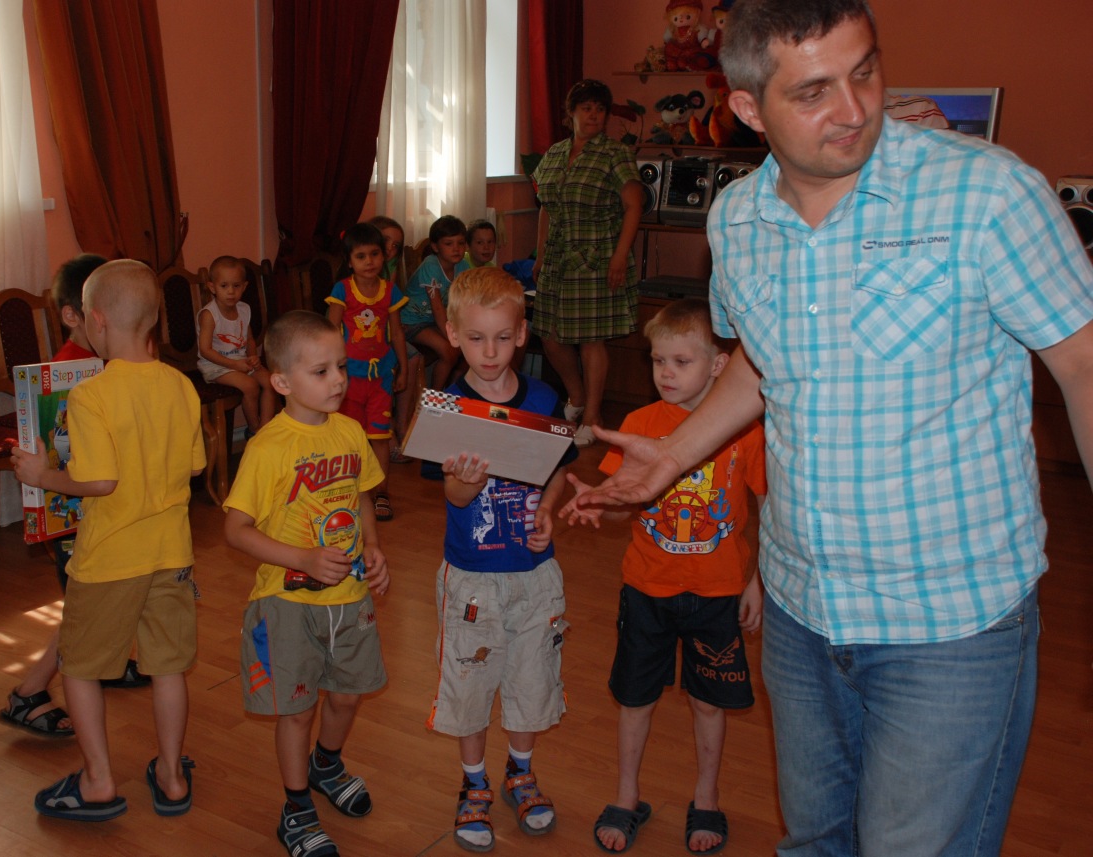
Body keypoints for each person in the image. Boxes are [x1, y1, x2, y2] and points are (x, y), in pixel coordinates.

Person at [565, 2, 1093, 855]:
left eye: (865, 71)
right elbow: (763, 357)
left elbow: (1085, 364)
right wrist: (672, 452)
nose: (854, 108)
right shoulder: (737, 218)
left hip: (950, 622)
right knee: (814, 839)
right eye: (813, 92)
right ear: (747, 108)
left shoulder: (987, 193)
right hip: (801, 612)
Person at [566, 301, 765, 855]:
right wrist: (599, 504)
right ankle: (627, 797)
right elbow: (623, 504)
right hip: (647, 589)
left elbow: (768, 508)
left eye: (681, 361)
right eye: (658, 361)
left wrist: (758, 581)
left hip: (718, 592)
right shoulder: (639, 425)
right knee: (636, 699)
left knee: (708, 703)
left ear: (720, 365)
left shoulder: (745, 429)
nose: (666, 373)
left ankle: (707, 798)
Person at [14, 259, 206, 821]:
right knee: (167, 668)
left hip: (108, 560)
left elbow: (99, 481)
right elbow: (195, 466)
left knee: (79, 667)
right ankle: (171, 776)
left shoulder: (91, 395)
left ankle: (98, 781)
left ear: (95, 320)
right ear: (153, 320)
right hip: (172, 553)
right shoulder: (181, 385)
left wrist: (42, 474)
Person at [223, 310, 390, 857]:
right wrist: (302, 557)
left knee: (347, 694)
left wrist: (372, 546)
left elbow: (362, 494)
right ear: (282, 382)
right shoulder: (268, 447)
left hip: (350, 597)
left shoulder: (349, 431)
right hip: (287, 602)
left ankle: (327, 765)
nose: (338, 379)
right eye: (321, 371)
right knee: (296, 710)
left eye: (341, 366)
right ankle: (296, 808)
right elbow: (236, 530)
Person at [422, 266, 578, 853]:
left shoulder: (543, 398)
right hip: (472, 579)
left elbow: (559, 472)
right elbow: (452, 494)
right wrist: (464, 484)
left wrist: (549, 511)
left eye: (504, 338)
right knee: (469, 682)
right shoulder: (447, 407)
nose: (490, 352)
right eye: (476, 338)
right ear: (453, 334)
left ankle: (520, 772)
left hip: (536, 576)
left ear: (522, 334)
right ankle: (474, 784)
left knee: (532, 678)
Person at [0, 253, 151, 740]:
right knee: (85, 611)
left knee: (103, 604)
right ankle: (28, 692)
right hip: (79, 514)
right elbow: (62, 451)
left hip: (110, 511)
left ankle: (105, 663)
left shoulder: (112, 365)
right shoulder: (69, 374)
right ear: (75, 315)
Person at [532, 79, 643, 448]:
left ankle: (593, 416)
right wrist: (540, 255)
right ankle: (576, 397)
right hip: (557, 258)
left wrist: (620, 256)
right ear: (572, 113)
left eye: (599, 109)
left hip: (596, 257)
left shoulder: (615, 153)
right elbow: (546, 208)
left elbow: (633, 206)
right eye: (586, 108)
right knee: (550, 336)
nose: (594, 115)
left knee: (591, 340)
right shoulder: (554, 153)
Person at [325, 222, 409, 522]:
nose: (369, 262)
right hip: (349, 379)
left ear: (383, 256)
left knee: (379, 437)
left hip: (381, 378)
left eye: (374, 254)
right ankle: (347, 492)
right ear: (350, 261)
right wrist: (331, 371)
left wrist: (403, 369)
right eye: (361, 256)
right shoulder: (342, 290)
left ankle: (381, 492)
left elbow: (396, 333)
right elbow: (331, 330)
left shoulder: (390, 291)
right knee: (349, 437)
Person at [197, 254, 276, 435]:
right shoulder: (209, 315)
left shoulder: (244, 309)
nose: (231, 291)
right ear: (212, 287)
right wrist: (234, 364)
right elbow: (205, 350)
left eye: (236, 286)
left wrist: (253, 356)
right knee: (250, 386)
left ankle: (265, 429)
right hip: (216, 366)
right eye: (224, 286)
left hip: (241, 361)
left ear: (244, 286)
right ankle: (254, 430)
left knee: (271, 382)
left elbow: (249, 339)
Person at [369, 215, 418, 464]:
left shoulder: (389, 271)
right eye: (386, 240)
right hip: (359, 340)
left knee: (412, 357)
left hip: (386, 333)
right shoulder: (360, 271)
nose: (390, 248)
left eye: (395, 245)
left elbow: (392, 318)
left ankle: (402, 424)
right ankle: (386, 432)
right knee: (385, 367)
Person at [401, 215, 468, 393]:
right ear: (435, 247)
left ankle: (449, 390)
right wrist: (451, 336)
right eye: (449, 244)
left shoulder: (462, 266)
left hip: (432, 322)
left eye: (461, 243)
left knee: (464, 347)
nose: (456, 249)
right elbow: (437, 308)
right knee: (448, 350)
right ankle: (435, 396)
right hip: (411, 322)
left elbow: (464, 301)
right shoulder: (431, 265)